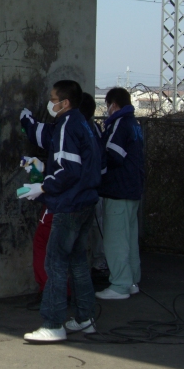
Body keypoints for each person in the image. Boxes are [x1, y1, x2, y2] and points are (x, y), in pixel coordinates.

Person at [19, 80, 101, 342]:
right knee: (77, 262)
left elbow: (69, 170)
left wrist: (43, 187)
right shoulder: (85, 124)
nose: (50, 103)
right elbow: (75, 164)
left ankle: (54, 323)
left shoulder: (66, 125)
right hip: (85, 202)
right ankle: (85, 318)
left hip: (69, 205)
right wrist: (44, 169)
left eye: (53, 99)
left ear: (64, 103)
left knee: (54, 263)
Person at [95, 88, 144, 300]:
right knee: (130, 239)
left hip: (118, 188)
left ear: (113, 104)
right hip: (132, 189)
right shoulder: (134, 124)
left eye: (107, 105)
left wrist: (97, 167)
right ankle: (131, 280)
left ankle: (120, 285)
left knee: (115, 240)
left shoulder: (119, 124)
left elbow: (113, 154)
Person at [79, 93, 108, 275]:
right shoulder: (94, 128)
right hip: (93, 187)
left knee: (95, 228)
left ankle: (98, 262)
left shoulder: (87, 129)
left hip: (89, 188)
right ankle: (97, 261)